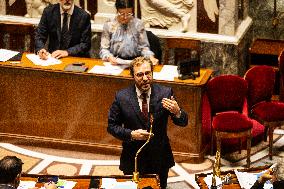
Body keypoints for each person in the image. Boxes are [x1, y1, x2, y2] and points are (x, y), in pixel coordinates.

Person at [107, 57, 188, 189]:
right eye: (140, 74)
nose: (145, 78)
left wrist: (178, 112)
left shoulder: (165, 93)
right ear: (132, 76)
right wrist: (131, 134)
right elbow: (111, 126)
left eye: (148, 73)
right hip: (134, 157)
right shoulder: (122, 97)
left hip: (159, 157)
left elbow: (183, 122)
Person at [100, 0, 159, 65]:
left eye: (129, 14)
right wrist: (109, 57)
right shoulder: (109, 25)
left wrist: (151, 57)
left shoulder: (138, 24)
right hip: (115, 62)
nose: (125, 17)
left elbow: (144, 48)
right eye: (122, 14)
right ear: (117, 11)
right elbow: (104, 49)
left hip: (135, 62)